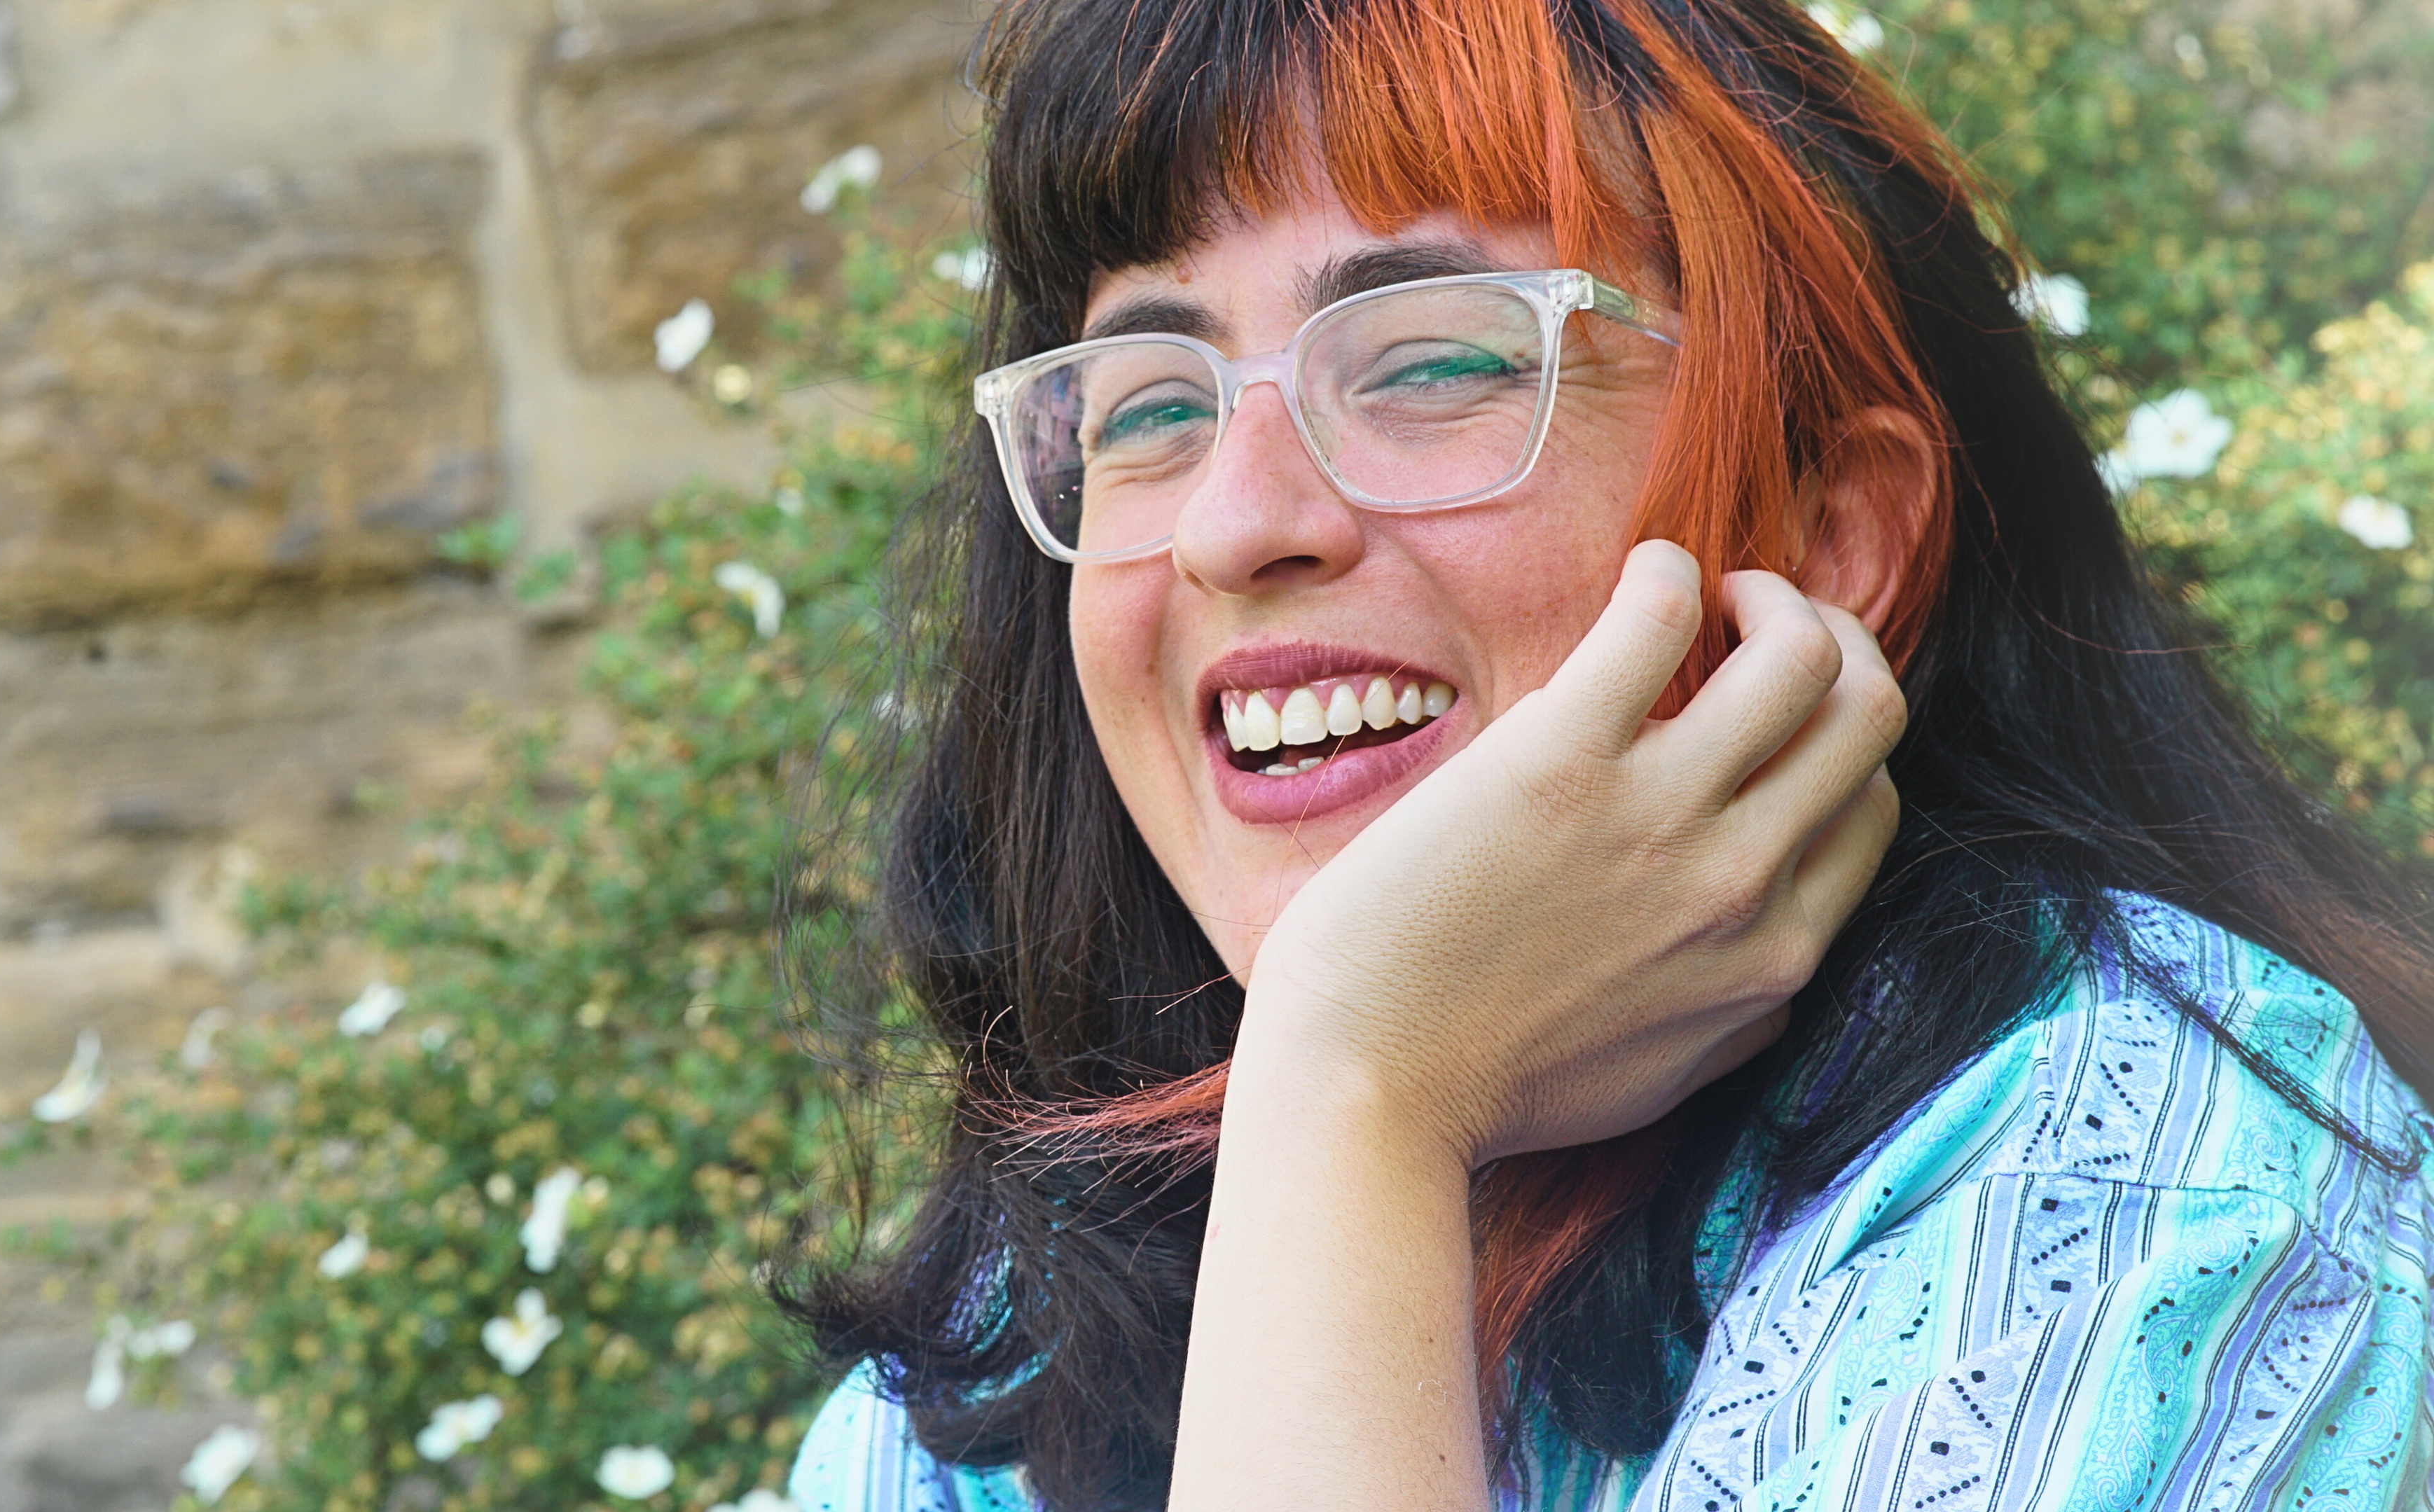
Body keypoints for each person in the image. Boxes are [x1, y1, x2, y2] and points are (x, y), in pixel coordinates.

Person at [780, 0, 2434, 1507]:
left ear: (1833, 534)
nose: (1233, 523)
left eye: (1434, 359)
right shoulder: (1020, 1333)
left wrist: (1363, 1088)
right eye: (1147, 404)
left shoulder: (2144, 1206)